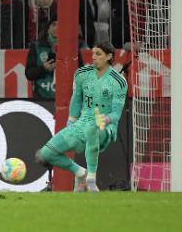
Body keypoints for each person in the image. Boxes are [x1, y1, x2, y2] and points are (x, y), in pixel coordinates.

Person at [35, 41, 128, 192]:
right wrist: (71, 122)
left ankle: (91, 178)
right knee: (45, 154)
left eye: (98, 54)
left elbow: (116, 114)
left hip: (105, 126)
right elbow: (76, 98)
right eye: (93, 54)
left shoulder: (119, 81)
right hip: (81, 123)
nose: (94, 57)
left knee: (92, 128)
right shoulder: (82, 74)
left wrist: (105, 119)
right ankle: (80, 173)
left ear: (109, 56)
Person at [25, 16, 84, 100]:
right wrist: (43, 68)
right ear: (48, 28)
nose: (56, 28)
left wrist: (66, 68)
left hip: (67, 98)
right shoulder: (37, 46)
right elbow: (29, 74)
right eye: (53, 25)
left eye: (60, 25)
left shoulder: (73, 48)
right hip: (42, 98)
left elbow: (81, 74)